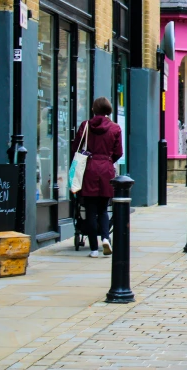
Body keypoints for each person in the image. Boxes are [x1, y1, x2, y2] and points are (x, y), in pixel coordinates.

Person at [70, 97, 123, 258]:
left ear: (94, 109)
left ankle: (93, 249)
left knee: (91, 211)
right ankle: (106, 238)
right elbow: (118, 152)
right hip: (106, 170)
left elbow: (76, 147)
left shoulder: (85, 125)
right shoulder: (115, 128)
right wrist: (107, 160)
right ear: (109, 110)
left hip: (89, 169)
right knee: (103, 210)